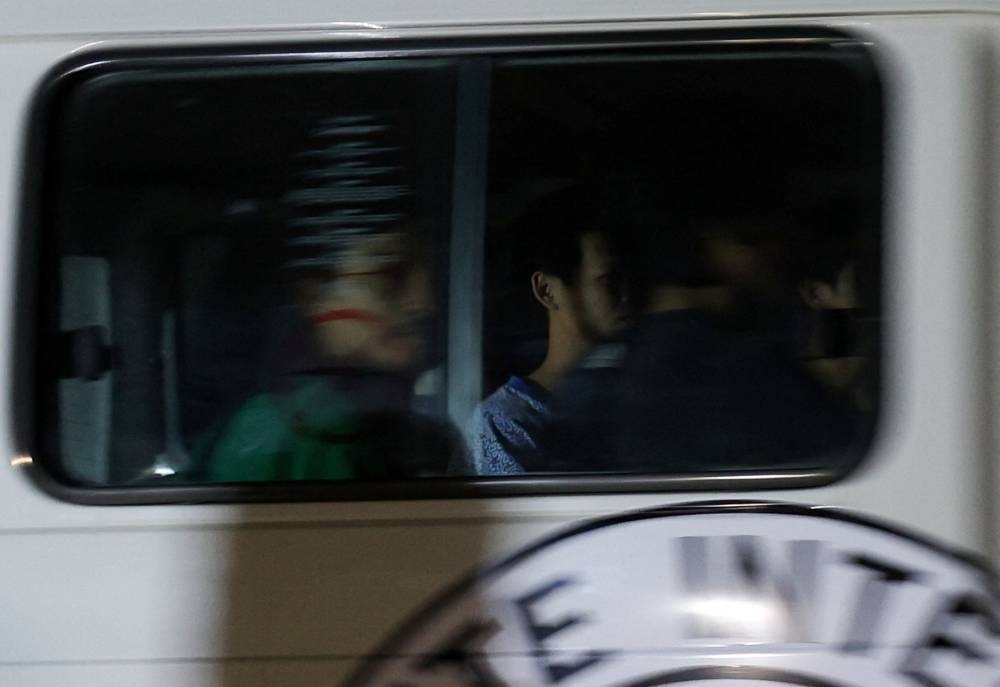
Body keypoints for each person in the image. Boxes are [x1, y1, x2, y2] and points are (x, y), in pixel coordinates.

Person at [548, 198, 859, 475]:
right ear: (725, 243)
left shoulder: (585, 383)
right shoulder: (758, 377)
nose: (781, 260)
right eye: (768, 236)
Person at [460, 188, 631, 475]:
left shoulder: (630, 397)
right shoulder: (503, 423)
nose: (628, 295)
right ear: (547, 290)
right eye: (609, 280)